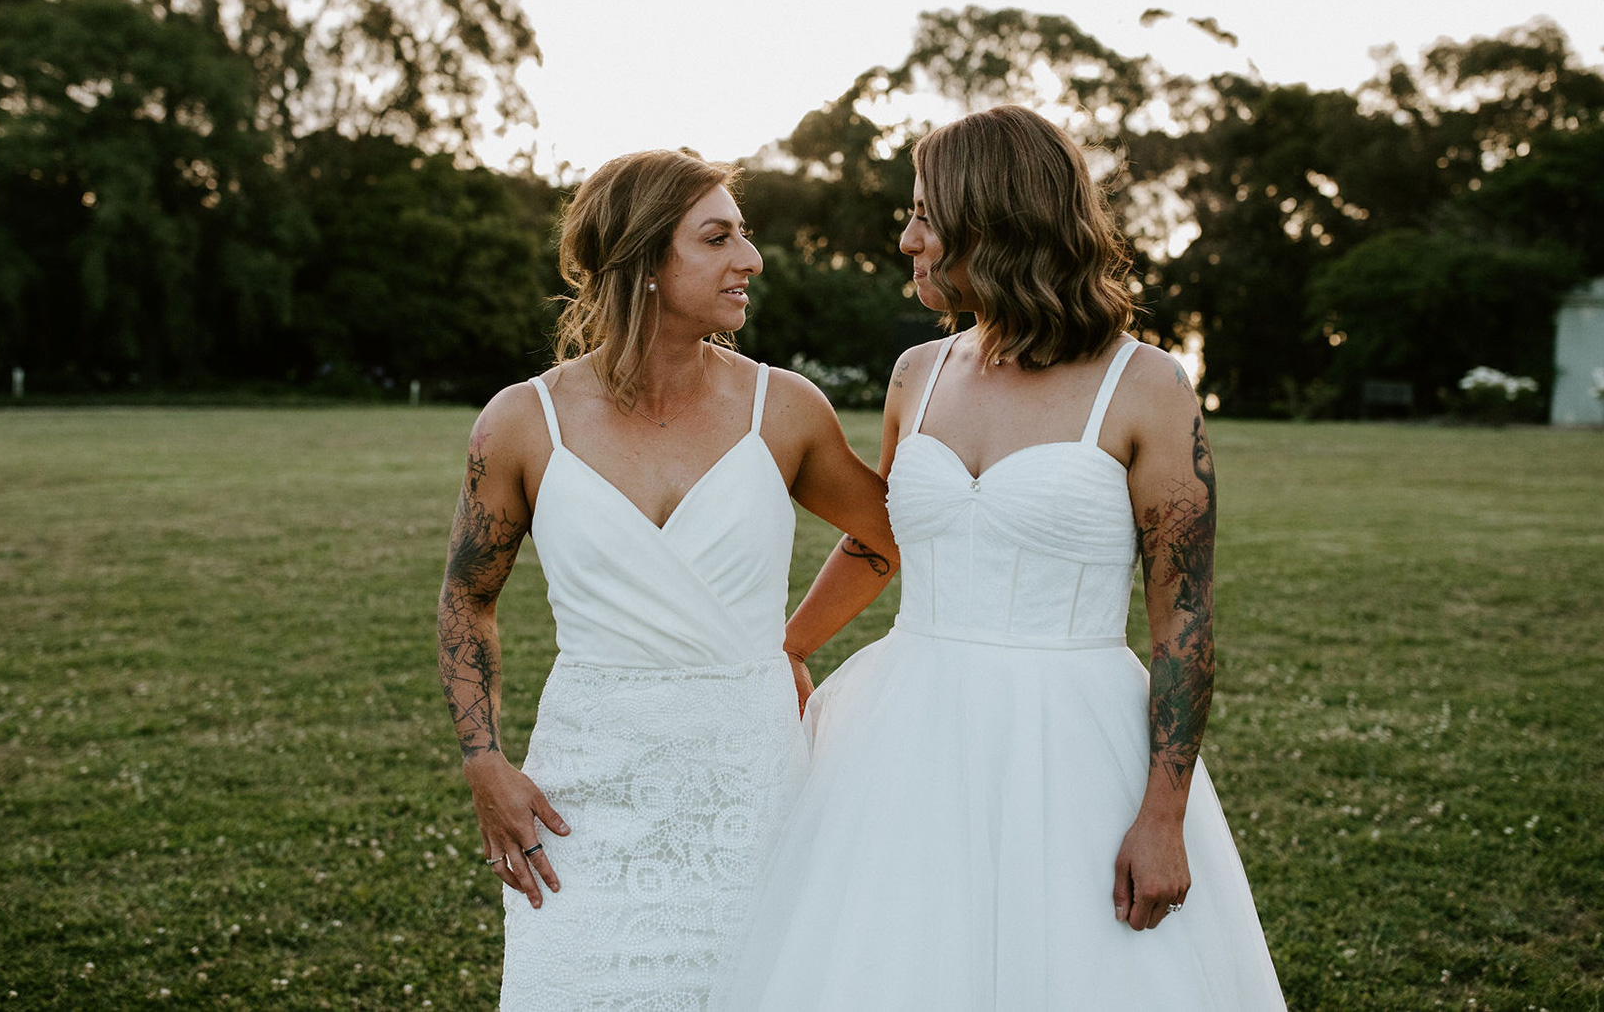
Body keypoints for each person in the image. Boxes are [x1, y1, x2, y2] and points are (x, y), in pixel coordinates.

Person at [717, 107, 1287, 1009]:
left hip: (1074, 742)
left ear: (996, 219)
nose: (905, 237)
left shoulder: (1149, 387)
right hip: (900, 729)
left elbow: (1185, 615)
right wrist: (790, 644)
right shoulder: (918, 373)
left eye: (923, 215)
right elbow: (885, 536)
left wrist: (1164, 815)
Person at [435, 149, 899, 1011]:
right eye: (718, 238)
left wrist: (790, 643)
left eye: (744, 235)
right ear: (647, 262)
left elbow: (888, 534)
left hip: (753, 779)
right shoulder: (520, 421)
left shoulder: (786, 407)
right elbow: (469, 596)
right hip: (586, 784)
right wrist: (484, 761)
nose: (751, 260)